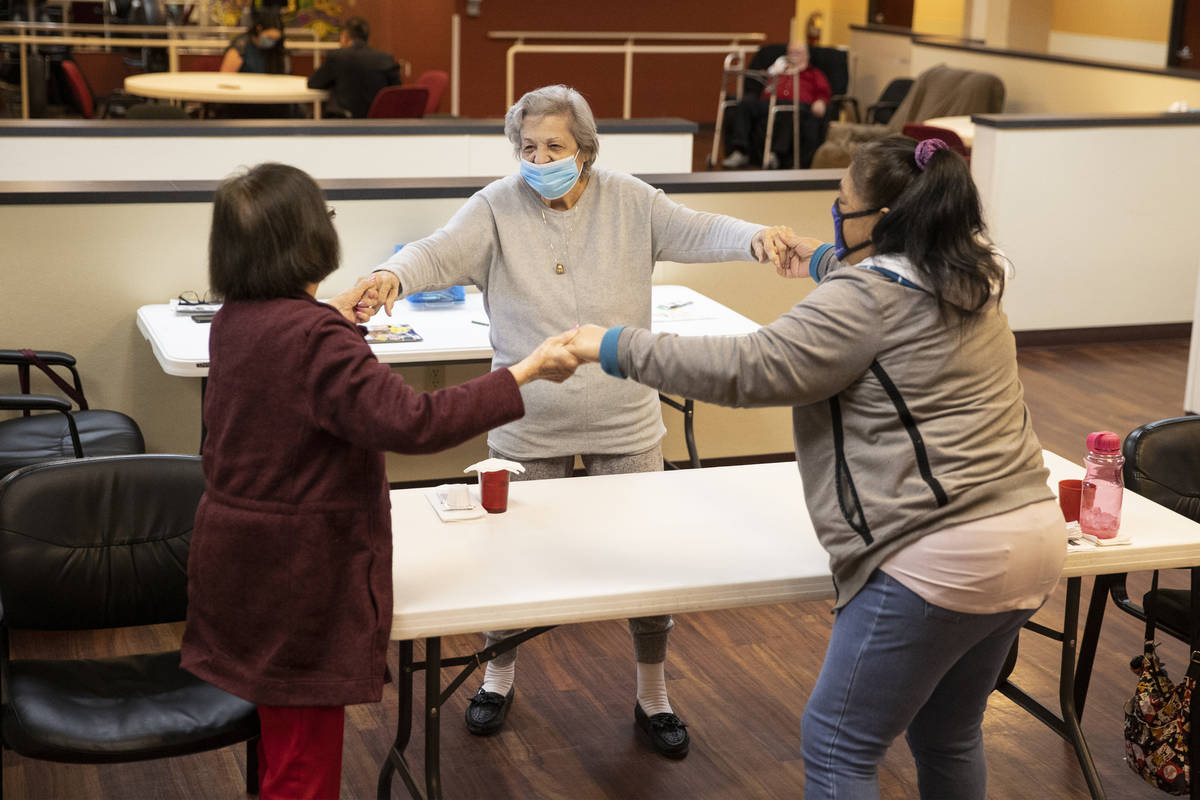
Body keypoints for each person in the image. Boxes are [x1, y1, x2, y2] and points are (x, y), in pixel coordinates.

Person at [567, 137, 1065, 798]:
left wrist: (613, 345)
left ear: (882, 221)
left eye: (843, 207)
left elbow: (751, 369)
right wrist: (830, 260)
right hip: (1033, 538)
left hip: (939, 553)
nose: (836, 215)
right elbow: (888, 299)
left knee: (836, 746)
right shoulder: (970, 280)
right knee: (950, 734)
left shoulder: (862, 301)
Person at [360, 84, 795, 759]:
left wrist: (757, 240)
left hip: (626, 422)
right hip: (527, 424)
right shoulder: (496, 208)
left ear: (585, 151)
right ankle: (498, 678)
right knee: (505, 564)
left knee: (649, 569)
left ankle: (653, 694)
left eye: (554, 147)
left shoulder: (631, 201)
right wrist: (389, 278)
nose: (539, 160)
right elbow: (435, 252)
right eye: (528, 148)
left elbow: (700, 228)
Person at [179, 162, 581, 799]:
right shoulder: (313, 336)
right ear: (312, 239)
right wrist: (525, 371)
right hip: (298, 576)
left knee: (280, 748)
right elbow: (414, 422)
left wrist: (333, 321)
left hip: (240, 564)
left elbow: (299, 377)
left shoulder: (238, 319)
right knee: (303, 771)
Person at [722, 40, 831, 170]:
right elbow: (762, 81)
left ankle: (776, 155)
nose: (794, 55)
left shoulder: (814, 74)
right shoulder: (778, 68)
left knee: (787, 109)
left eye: (798, 52)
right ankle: (740, 151)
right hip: (769, 102)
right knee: (746, 103)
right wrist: (769, 73)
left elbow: (823, 92)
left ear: (806, 55)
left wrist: (820, 102)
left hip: (798, 105)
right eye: (791, 52)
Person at [307, 16, 401, 119]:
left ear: (345, 36)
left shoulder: (337, 57)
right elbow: (396, 91)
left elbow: (313, 82)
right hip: (379, 124)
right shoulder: (385, 58)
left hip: (344, 126)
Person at [220, 9, 287, 75]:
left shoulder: (276, 48)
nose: (272, 42)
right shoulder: (240, 47)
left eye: (275, 39)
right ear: (259, 28)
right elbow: (225, 77)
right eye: (270, 38)